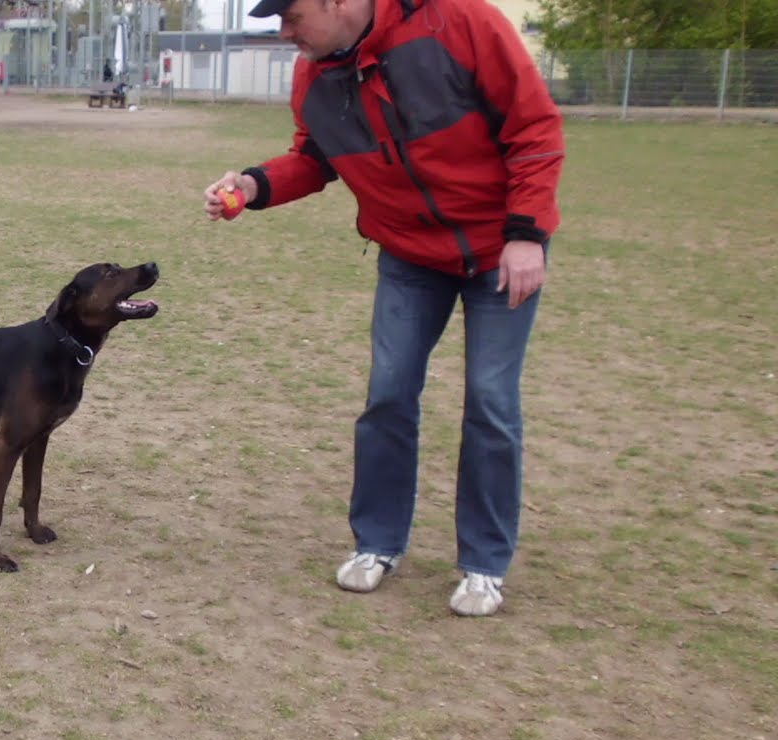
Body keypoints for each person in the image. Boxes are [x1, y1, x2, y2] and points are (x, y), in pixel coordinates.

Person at [204, 0, 564, 616]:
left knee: (490, 402)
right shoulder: (315, 74)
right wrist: (255, 185)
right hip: (408, 255)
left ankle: (483, 563)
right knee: (389, 396)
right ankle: (378, 542)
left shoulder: (460, 22)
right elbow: (315, 159)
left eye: (291, 17)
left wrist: (527, 233)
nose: (283, 33)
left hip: (499, 248)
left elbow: (533, 127)